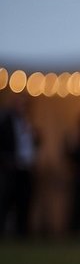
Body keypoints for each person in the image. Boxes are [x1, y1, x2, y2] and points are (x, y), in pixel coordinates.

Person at [0, 94, 38, 238]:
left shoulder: (27, 122)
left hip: (26, 167)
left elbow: (31, 143)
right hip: (12, 167)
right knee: (7, 200)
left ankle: (22, 232)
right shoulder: (6, 121)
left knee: (25, 201)